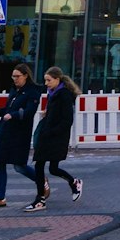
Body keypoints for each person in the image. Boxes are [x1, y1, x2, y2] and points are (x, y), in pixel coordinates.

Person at [0, 66, 45, 210]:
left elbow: (29, 111)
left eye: (17, 76)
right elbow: (9, 108)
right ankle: (0, 198)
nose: (15, 79)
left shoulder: (33, 92)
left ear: (25, 76)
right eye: (13, 76)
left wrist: (14, 115)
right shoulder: (14, 90)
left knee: (19, 166)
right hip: (5, 131)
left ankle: (41, 180)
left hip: (19, 134)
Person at [32, 66, 82, 204]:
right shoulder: (52, 93)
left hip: (55, 137)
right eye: (45, 80)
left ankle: (73, 182)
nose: (46, 83)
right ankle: (40, 198)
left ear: (57, 79)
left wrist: (52, 131)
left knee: (51, 168)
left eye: (48, 80)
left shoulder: (64, 95)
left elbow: (67, 120)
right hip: (48, 135)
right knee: (41, 166)